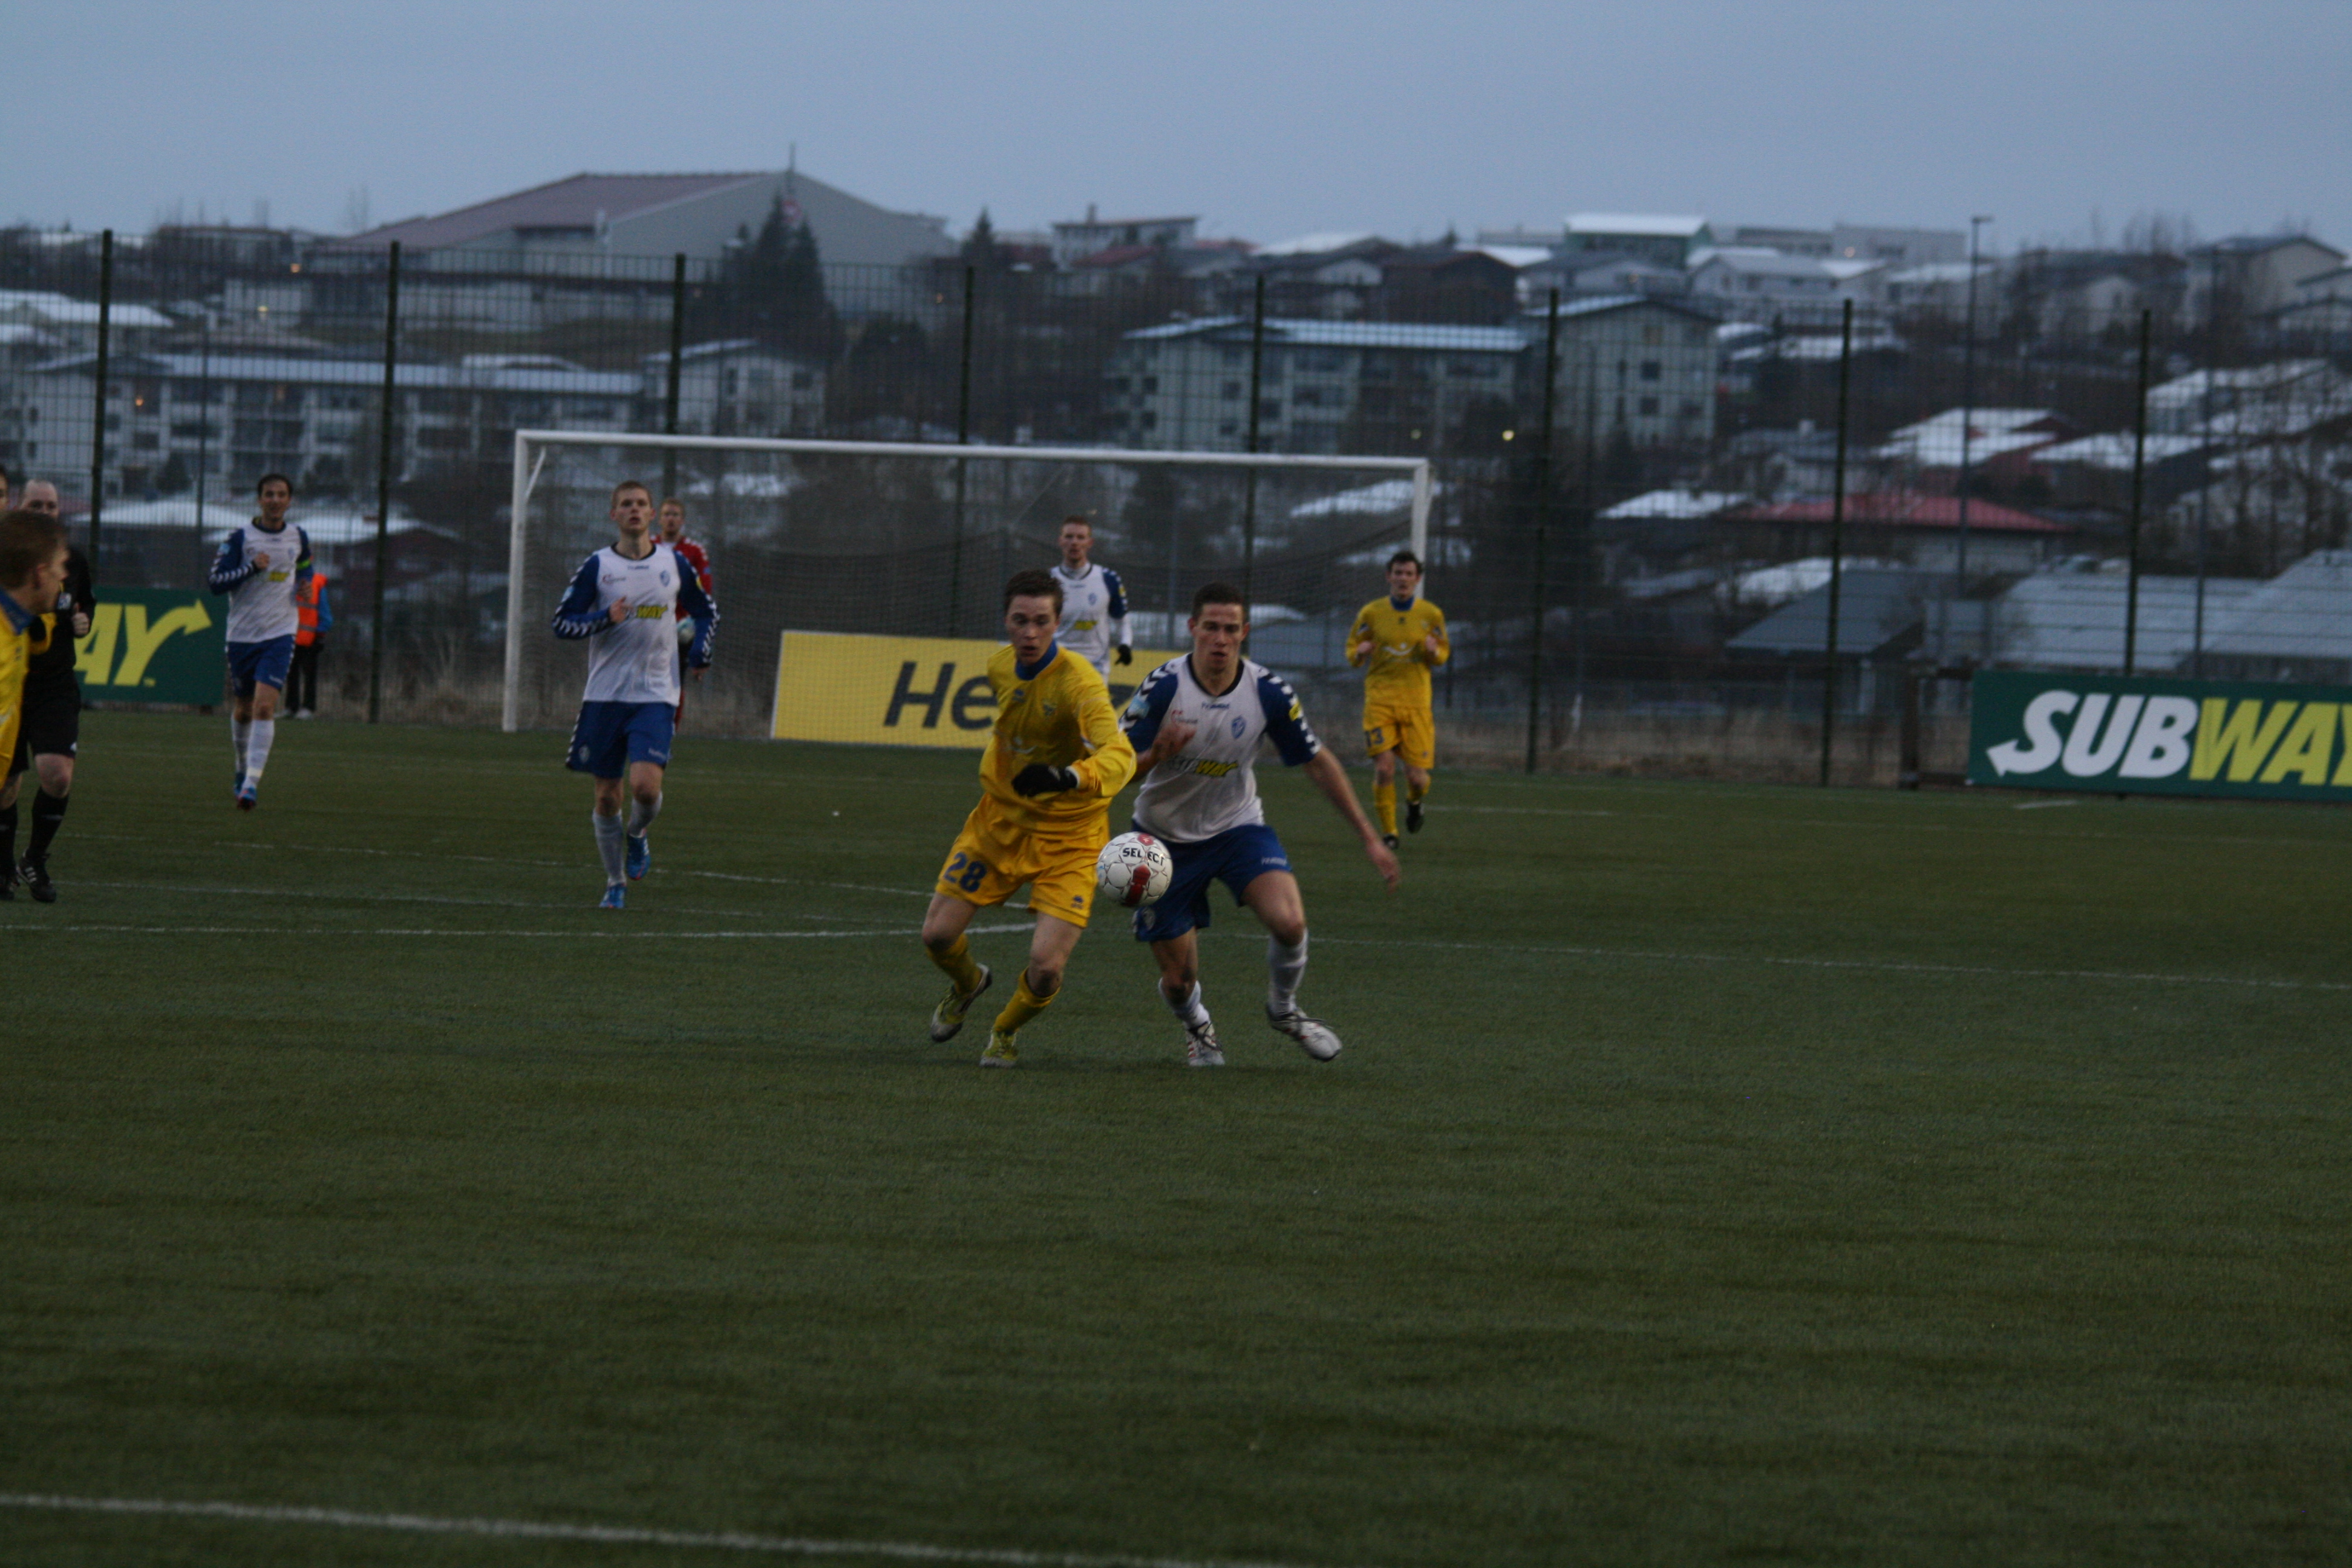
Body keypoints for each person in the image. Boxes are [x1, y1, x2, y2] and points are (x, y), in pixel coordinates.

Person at [1121, 583, 1399, 1067]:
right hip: (1161, 840)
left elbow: (1317, 763)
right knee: (1179, 982)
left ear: (1245, 632)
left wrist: (1370, 839)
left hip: (1237, 829)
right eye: (1211, 628)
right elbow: (1117, 769)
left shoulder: (1268, 691)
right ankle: (1198, 1026)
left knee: (1290, 923)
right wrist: (1156, 755)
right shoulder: (1162, 688)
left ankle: (1284, 1009)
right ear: (1193, 628)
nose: (1220, 639)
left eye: (1231, 629)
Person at [920, 567, 1137, 1067]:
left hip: (1071, 837)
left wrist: (1066, 777)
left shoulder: (1080, 683)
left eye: (1042, 621)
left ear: (1058, 623)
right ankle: (969, 983)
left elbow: (1121, 757)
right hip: (1000, 824)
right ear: (1007, 621)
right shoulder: (1000, 666)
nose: (1031, 632)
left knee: (1045, 967)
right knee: (936, 936)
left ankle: (1005, 1030)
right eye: (1021, 621)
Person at [551, 480, 716, 909]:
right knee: (607, 795)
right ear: (614, 515)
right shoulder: (598, 566)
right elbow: (562, 623)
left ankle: (638, 833)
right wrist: (605, 617)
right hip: (605, 696)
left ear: (652, 513)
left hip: (656, 693)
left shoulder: (674, 562)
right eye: (626, 504)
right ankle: (615, 882)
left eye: (642, 503)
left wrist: (700, 650)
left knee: (644, 787)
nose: (635, 510)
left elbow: (706, 611)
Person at [0, 481, 91, 901]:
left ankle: (28, 860)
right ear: (38, 574)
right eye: (57, 568)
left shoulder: (21, 632)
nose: (63, 577)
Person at [206, 472, 312, 811]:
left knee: (265, 707)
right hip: (242, 636)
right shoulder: (240, 538)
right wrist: (252, 568)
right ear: (259, 499)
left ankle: (251, 784)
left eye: (281, 494)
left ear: (290, 501)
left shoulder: (299, 536)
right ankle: (241, 767)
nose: (275, 500)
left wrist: (305, 584)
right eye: (269, 494)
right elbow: (216, 583)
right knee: (243, 708)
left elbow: (305, 567)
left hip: (280, 632)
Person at [1347, 549, 1449, 849]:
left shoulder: (1431, 615)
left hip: (1416, 704)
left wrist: (1434, 652)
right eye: (1398, 573)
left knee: (1417, 779)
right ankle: (1390, 833)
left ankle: (1415, 803)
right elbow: (1352, 651)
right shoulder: (1371, 613)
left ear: (1417, 579)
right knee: (1384, 768)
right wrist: (1359, 653)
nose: (1403, 579)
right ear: (1388, 576)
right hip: (1380, 701)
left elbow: (1443, 654)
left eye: (1409, 574)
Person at [1048, 514, 1130, 681]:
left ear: (1090, 543)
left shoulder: (1108, 579)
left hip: (1095, 668)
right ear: (1060, 541)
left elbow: (1122, 620)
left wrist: (1125, 644)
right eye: (1069, 537)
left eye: (1081, 537)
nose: (1075, 542)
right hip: (1057, 665)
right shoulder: (1047, 580)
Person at [656, 497, 714, 723]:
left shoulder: (695, 551)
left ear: (683, 520)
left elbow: (705, 591)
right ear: (659, 519)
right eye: (667, 514)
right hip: (650, 624)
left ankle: (669, 730)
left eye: (675, 515)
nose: (671, 519)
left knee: (674, 683)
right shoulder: (647, 546)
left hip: (680, 628)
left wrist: (691, 623)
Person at [287, 563, 332, 718]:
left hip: (310, 639)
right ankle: (291, 707)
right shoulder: (287, 580)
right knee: (291, 674)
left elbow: (325, 615)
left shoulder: (317, 583)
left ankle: (308, 707)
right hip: (291, 637)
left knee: (309, 674)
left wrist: (319, 634)